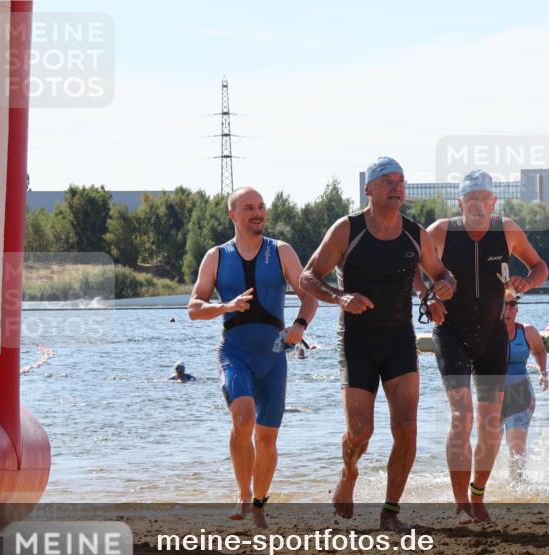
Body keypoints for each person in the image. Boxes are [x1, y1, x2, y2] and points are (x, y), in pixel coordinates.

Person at [299, 157, 455, 532]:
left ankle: (390, 511)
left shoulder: (415, 234)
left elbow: (442, 274)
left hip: (399, 339)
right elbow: (307, 277)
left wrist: (442, 290)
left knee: (406, 428)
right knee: (361, 431)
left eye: (400, 180)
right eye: (387, 180)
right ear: (369, 189)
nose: (396, 187)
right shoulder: (347, 230)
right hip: (357, 341)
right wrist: (340, 298)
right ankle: (349, 472)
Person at [419, 169, 548, 521]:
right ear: (460, 203)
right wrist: (428, 296)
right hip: (451, 332)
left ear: (494, 203)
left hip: (492, 336)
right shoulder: (441, 231)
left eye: (484, 199)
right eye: (470, 199)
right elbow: (413, 269)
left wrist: (525, 283)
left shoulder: (506, 230)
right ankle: (460, 502)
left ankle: (478, 496)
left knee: (491, 422)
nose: (477, 205)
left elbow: (540, 267)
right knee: (463, 416)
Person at [188, 186, 319, 528]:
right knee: (243, 418)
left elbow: (311, 295)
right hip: (235, 351)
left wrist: (300, 325)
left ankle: (259, 503)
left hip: (274, 355)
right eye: (249, 207)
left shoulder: (282, 251)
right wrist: (225, 306)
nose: (258, 212)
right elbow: (193, 308)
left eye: (261, 207)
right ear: (233, 215)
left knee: (267, 437)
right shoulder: (216, 256)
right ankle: (243, 495)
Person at [500, 289, 548, 480]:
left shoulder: (527, 331)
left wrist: (543, 373)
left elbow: (540, 351)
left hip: (521, 391)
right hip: (492, 391)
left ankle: (517, 484)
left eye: (512, 305)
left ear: (517, 309)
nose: (508, 309)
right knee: (491, 441)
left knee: (517, 441)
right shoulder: (487, 333)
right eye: (504, 304)